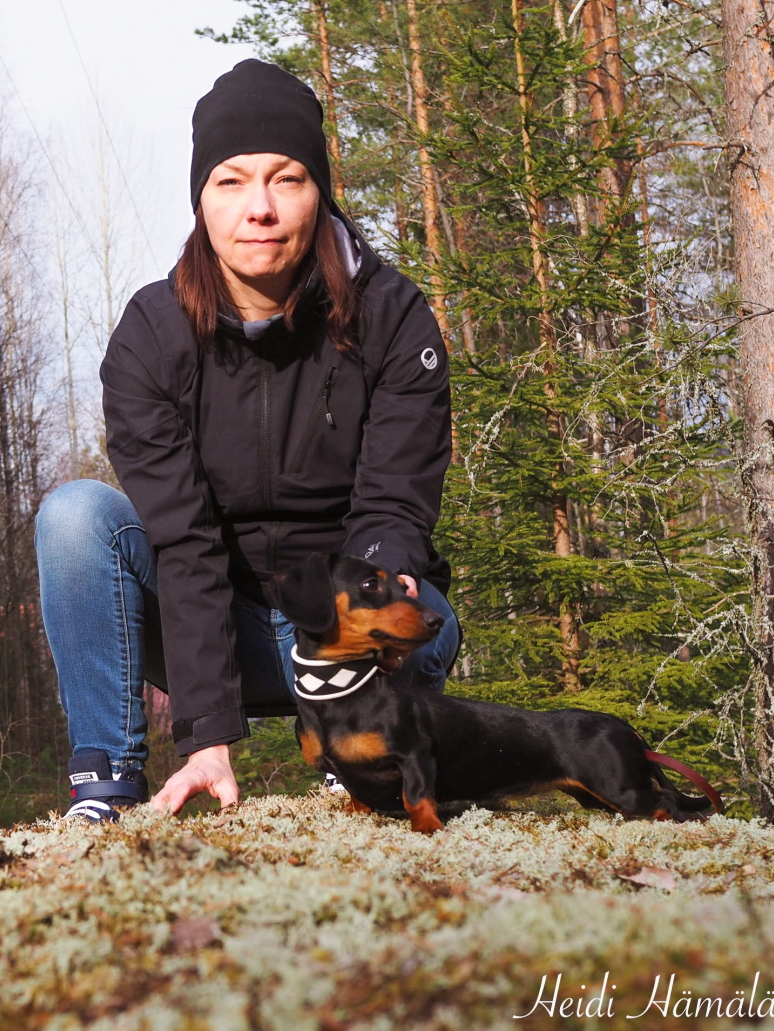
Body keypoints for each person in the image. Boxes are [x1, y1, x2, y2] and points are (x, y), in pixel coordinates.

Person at [35, 59, 460, 823]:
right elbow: (184, 540)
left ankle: (358, 754)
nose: (258, 208)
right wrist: (206, 736)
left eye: (286, 178)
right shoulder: (150, 338)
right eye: (231, 181)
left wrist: (361, 636)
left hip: (341, 629)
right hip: (210, 626)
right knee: (75, 518)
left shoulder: (393, 318)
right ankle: (104, 781)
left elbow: (393, 509)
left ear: (319, 190)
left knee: (421, 602)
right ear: (201, 199)